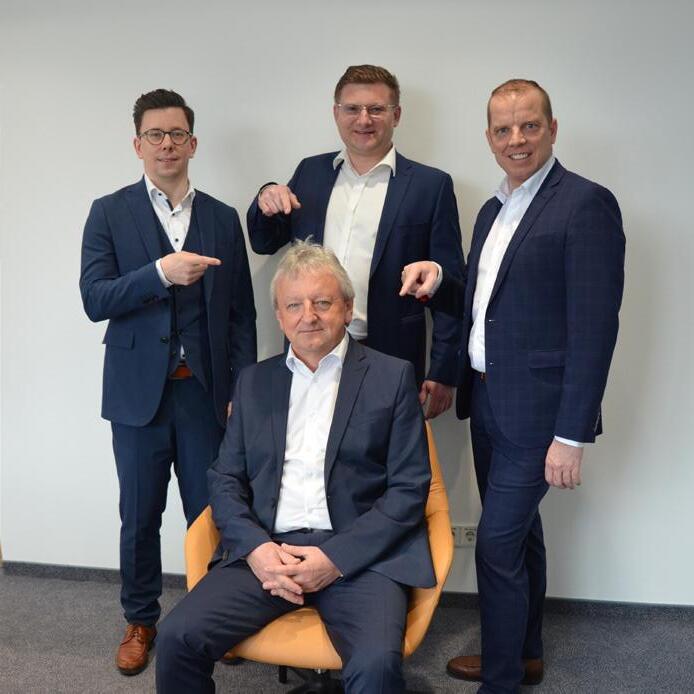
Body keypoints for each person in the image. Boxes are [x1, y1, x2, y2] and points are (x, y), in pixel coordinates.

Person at [400, 79, 625, 693]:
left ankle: (500, 680)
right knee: (521, 535)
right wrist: (439, 278)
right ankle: (525, 655)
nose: (516, 139)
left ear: (553, 128)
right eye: (503, 129)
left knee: (496, 544)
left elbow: (595, 328)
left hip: (540, 412)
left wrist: (571, 435)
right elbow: (485, 304)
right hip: (488, 400)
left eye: (529, 125)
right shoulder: (494, 208)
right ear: (489, 137)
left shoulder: (585, 204)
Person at [155, 240, 435, 694]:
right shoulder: (254, 382)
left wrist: (334, 558)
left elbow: (409, 490)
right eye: (294, 305)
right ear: (280, 316)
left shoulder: (391, 377)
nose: (309, 316)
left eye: (322, 302)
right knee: (176, 638)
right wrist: (257, 550)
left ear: (347, 308)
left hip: (358, 558)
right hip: (270, 552)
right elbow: (225, 480)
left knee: (376, 667)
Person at [79, 89, 257, 676]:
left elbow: (241, 315)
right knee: (140, 513)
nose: (166, 144)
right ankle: (140, 619)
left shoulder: (223, 218)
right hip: (137, 397)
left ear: (193, 143)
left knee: (213, 512)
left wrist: (241, 392)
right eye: (155, 135)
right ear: (138, 145)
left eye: (177, 134)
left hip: (205, 394)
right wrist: (160, 272)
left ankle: (214, 617)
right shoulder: (108, 212)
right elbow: (95, 298)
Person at [247, 64, 465, 419]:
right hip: (310, 355)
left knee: (387, 453)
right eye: (352, 109)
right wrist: (265, 197)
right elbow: (264, 242)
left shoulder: (430, 186)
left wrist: (443, 371)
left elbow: (450, 286)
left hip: (391, 359)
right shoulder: (310, 173)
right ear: (336, 113)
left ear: (396, 115)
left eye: (376, 109)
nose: (364, 119)